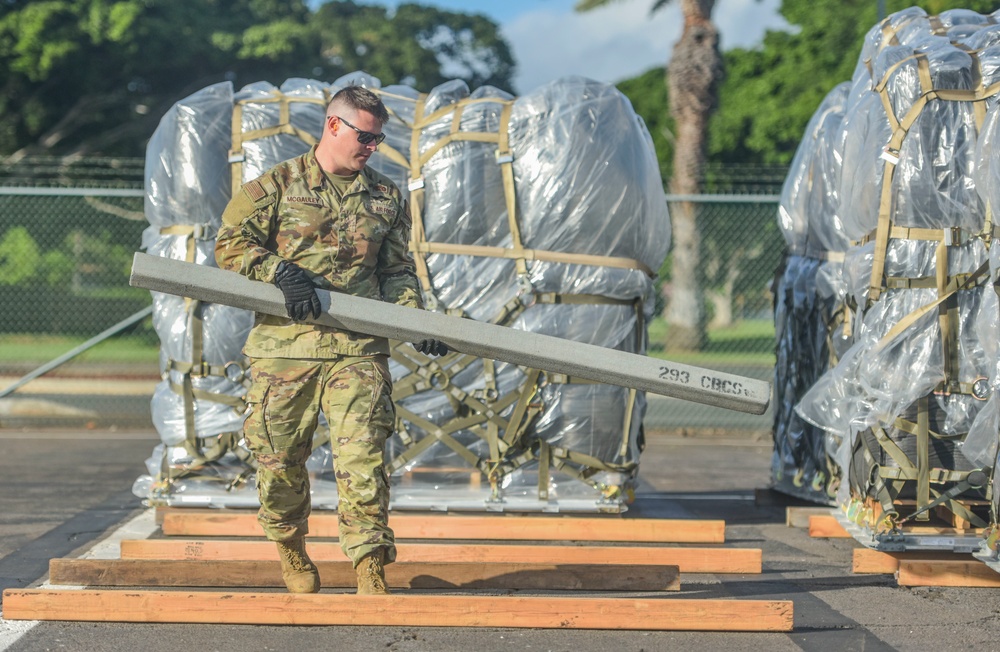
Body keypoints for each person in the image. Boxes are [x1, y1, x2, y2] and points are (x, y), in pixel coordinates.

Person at [215, 85, 448, 595]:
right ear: (334, 125)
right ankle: (290, 549)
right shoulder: (277, 185)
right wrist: (279, 271)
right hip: (284, 349)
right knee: (278, 461)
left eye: (379, 138)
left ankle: (368, 565)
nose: (371, 146)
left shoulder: (386, 196)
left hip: (357, 349)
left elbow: (398, 272)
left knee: (364, 456)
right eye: (364, 135)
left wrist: (417, 322)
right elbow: (229, 245)